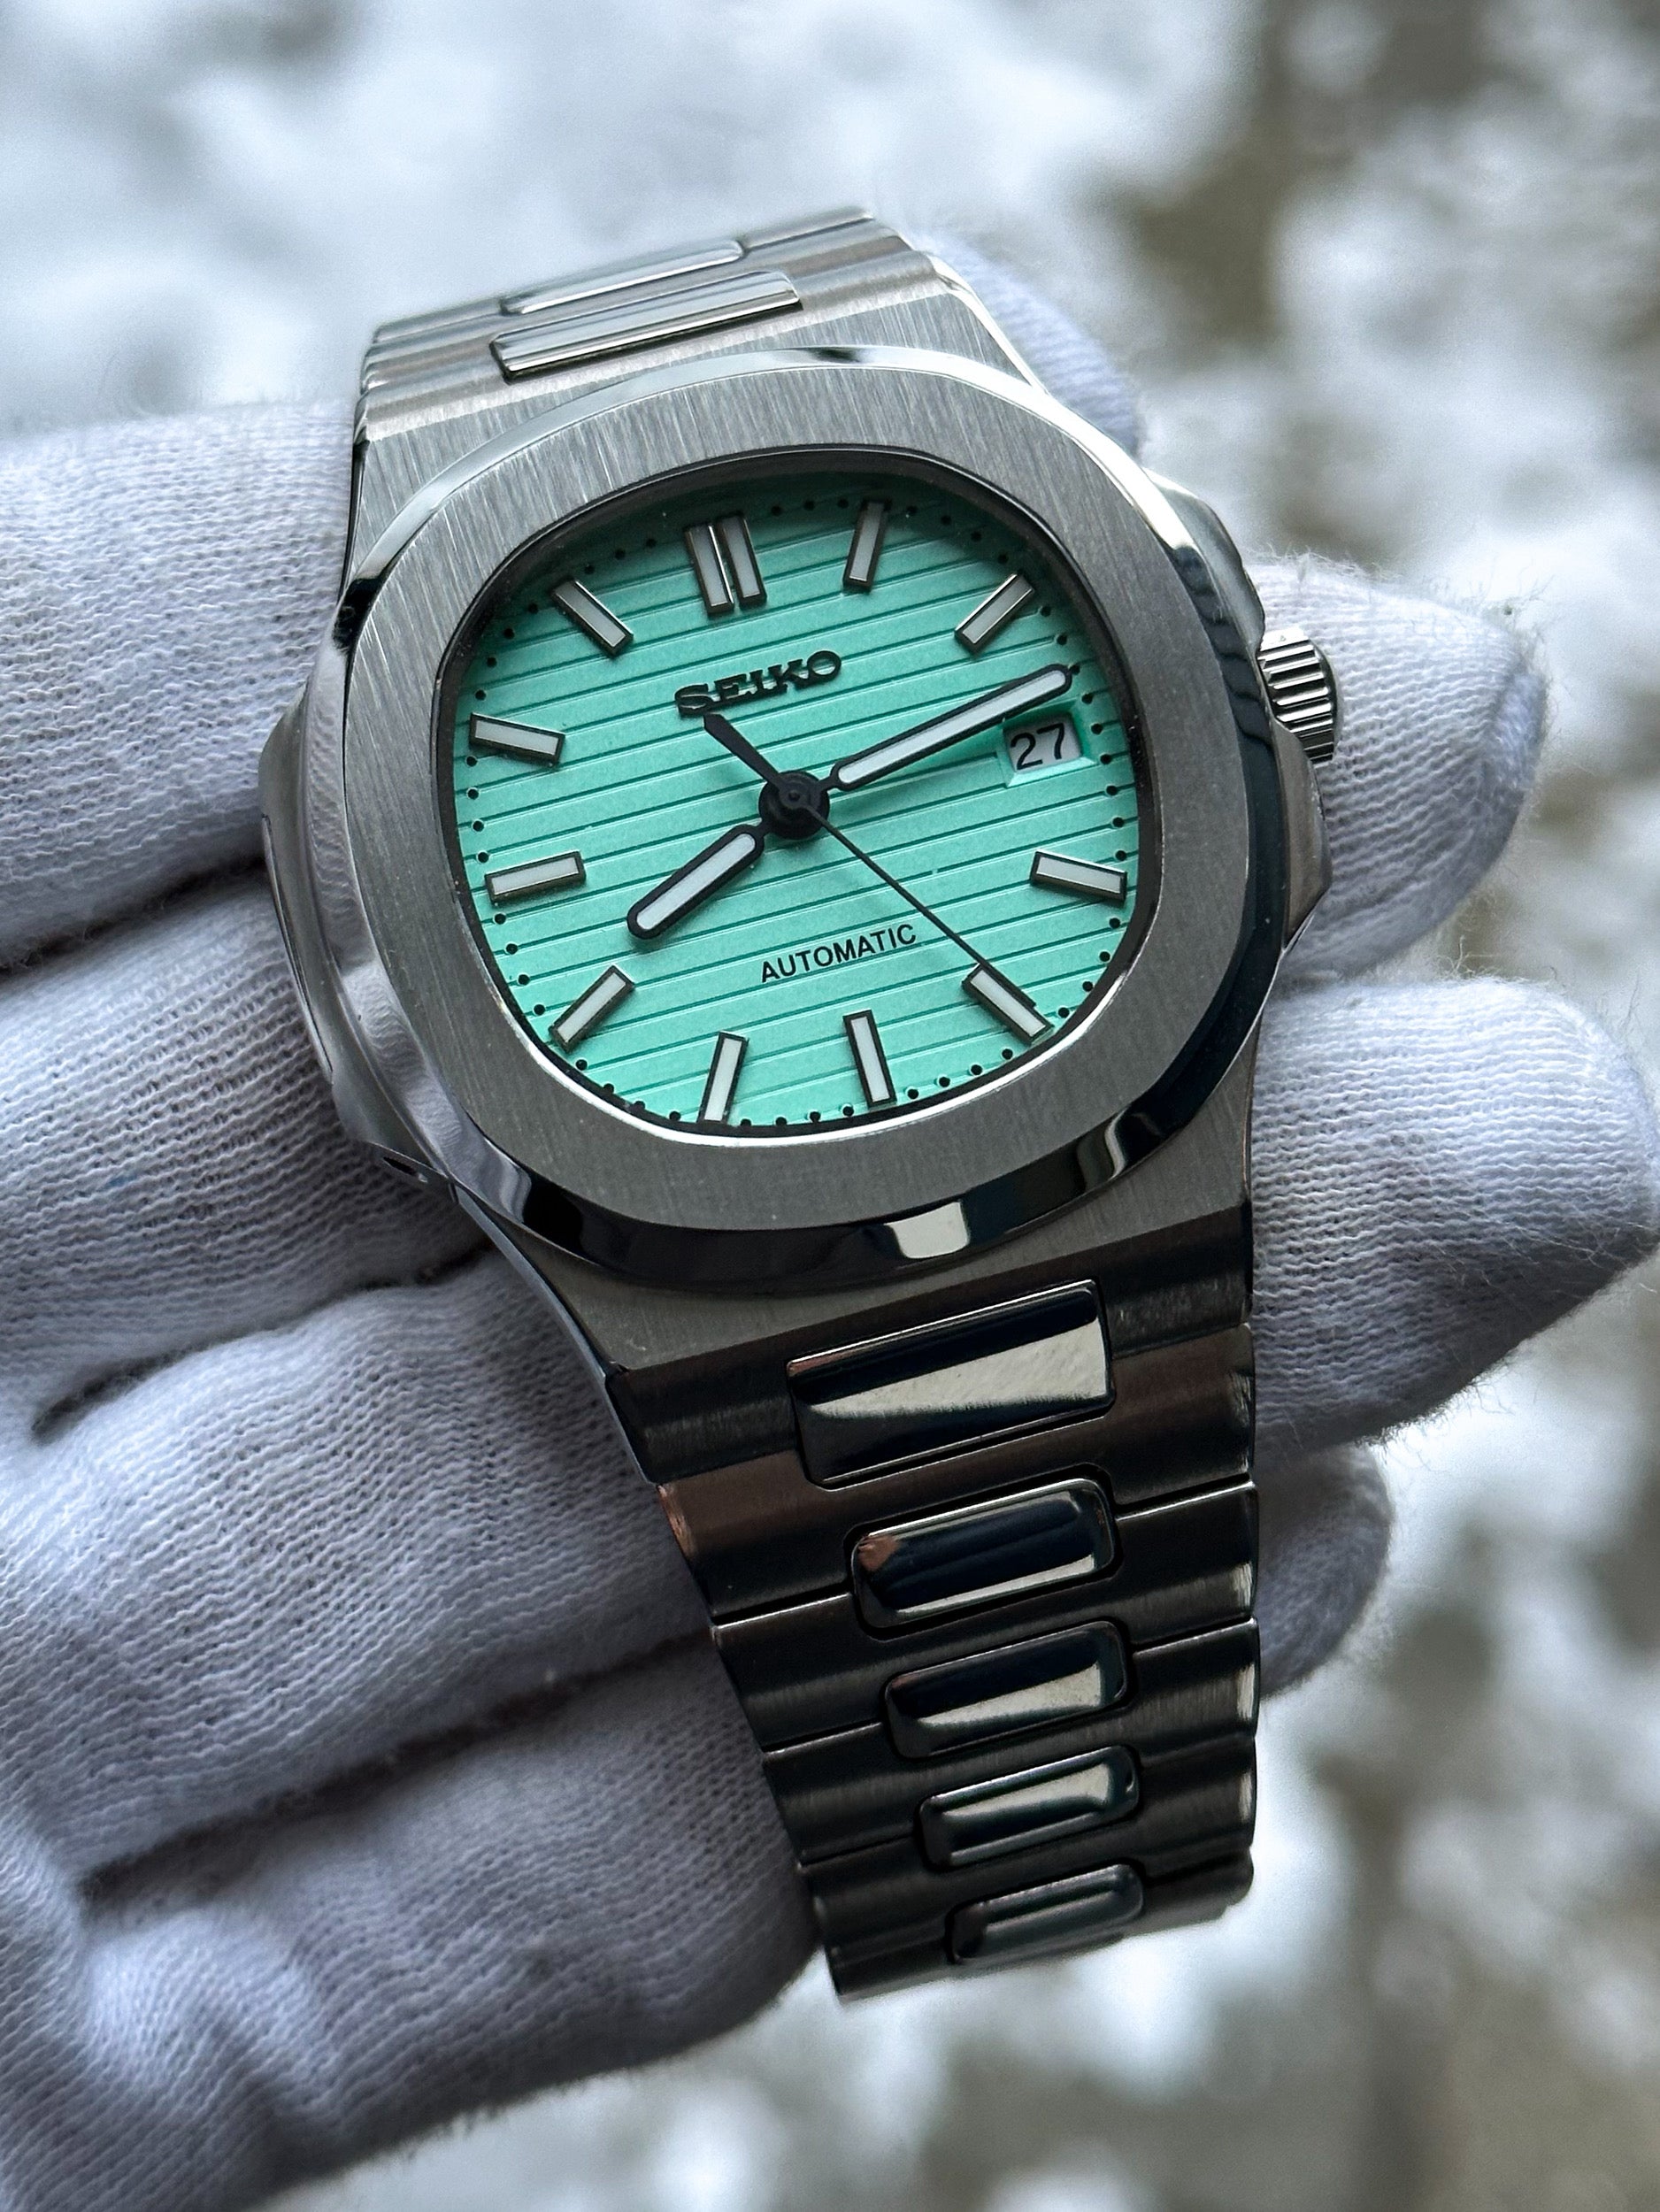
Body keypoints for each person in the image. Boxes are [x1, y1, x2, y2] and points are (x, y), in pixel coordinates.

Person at [0, 247, 1654, 2212]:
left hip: (1062, 1153)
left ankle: (1065, 1881)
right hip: (725, 1240)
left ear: (1262, 721)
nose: (792, 802)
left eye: (805, 784)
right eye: (774, 795)